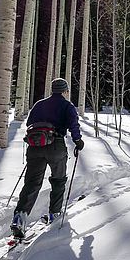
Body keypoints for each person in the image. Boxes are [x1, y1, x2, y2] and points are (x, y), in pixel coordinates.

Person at [10, 78, 84, 238]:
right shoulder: (67, 105)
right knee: (58, 180)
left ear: (52, 90)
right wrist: (78, 141)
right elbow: (73, 125)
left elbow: (29, 123)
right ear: (65, 91)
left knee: (32, 183)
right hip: (56, 146)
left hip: (35, 147)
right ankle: (54, 214)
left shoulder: (39, 104)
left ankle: (19, 218)